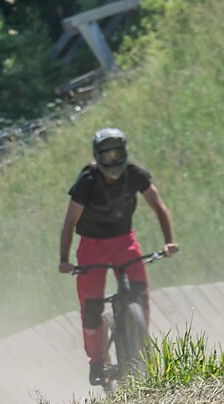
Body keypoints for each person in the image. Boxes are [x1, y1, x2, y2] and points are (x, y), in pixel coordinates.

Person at [58, 127, 177, 385]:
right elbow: (69, 222)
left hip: (124, 241)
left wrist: (169, 242)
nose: (113, 160)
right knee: (91, 308)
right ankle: (97, 362)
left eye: (117, 153)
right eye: (107, 155)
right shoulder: (87, 182)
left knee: (140, 294)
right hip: (92, 246)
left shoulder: (135, 175)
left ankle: (138, 342)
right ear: (98, 156)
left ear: (125, 153)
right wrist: (64, 259)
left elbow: (159, 207)